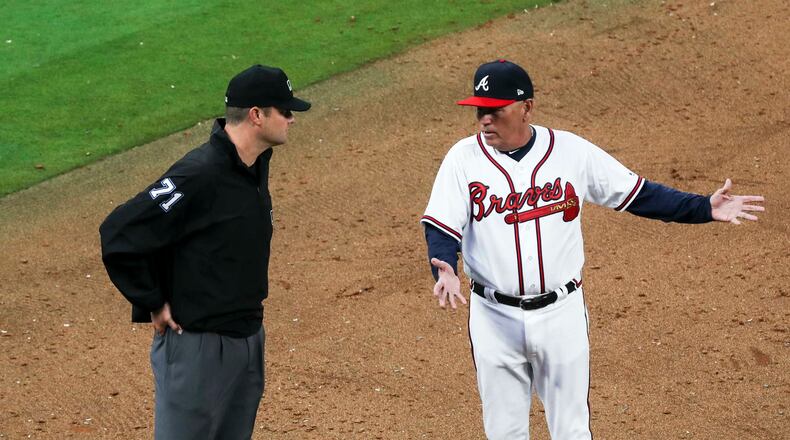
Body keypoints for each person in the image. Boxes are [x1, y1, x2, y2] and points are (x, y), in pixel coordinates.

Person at [420, 59, 764, 439]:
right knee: (504, 433)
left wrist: (702, 208)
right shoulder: (462, 159)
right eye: (479, 110)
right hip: (493, 318)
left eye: (495, 110)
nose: (485, 120)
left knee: (572, 431)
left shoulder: (570, 152)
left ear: (526, 108)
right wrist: (445, 267)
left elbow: (637, 193)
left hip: (561, 316)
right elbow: (441, 224)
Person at [99, 64, 311, 439]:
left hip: (247, 340)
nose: (292, 119)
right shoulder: (199, 173)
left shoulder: (254, 165)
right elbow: (120, 232)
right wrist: (152, 299)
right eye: (285, 110)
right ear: (256, 115)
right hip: (197, 347)